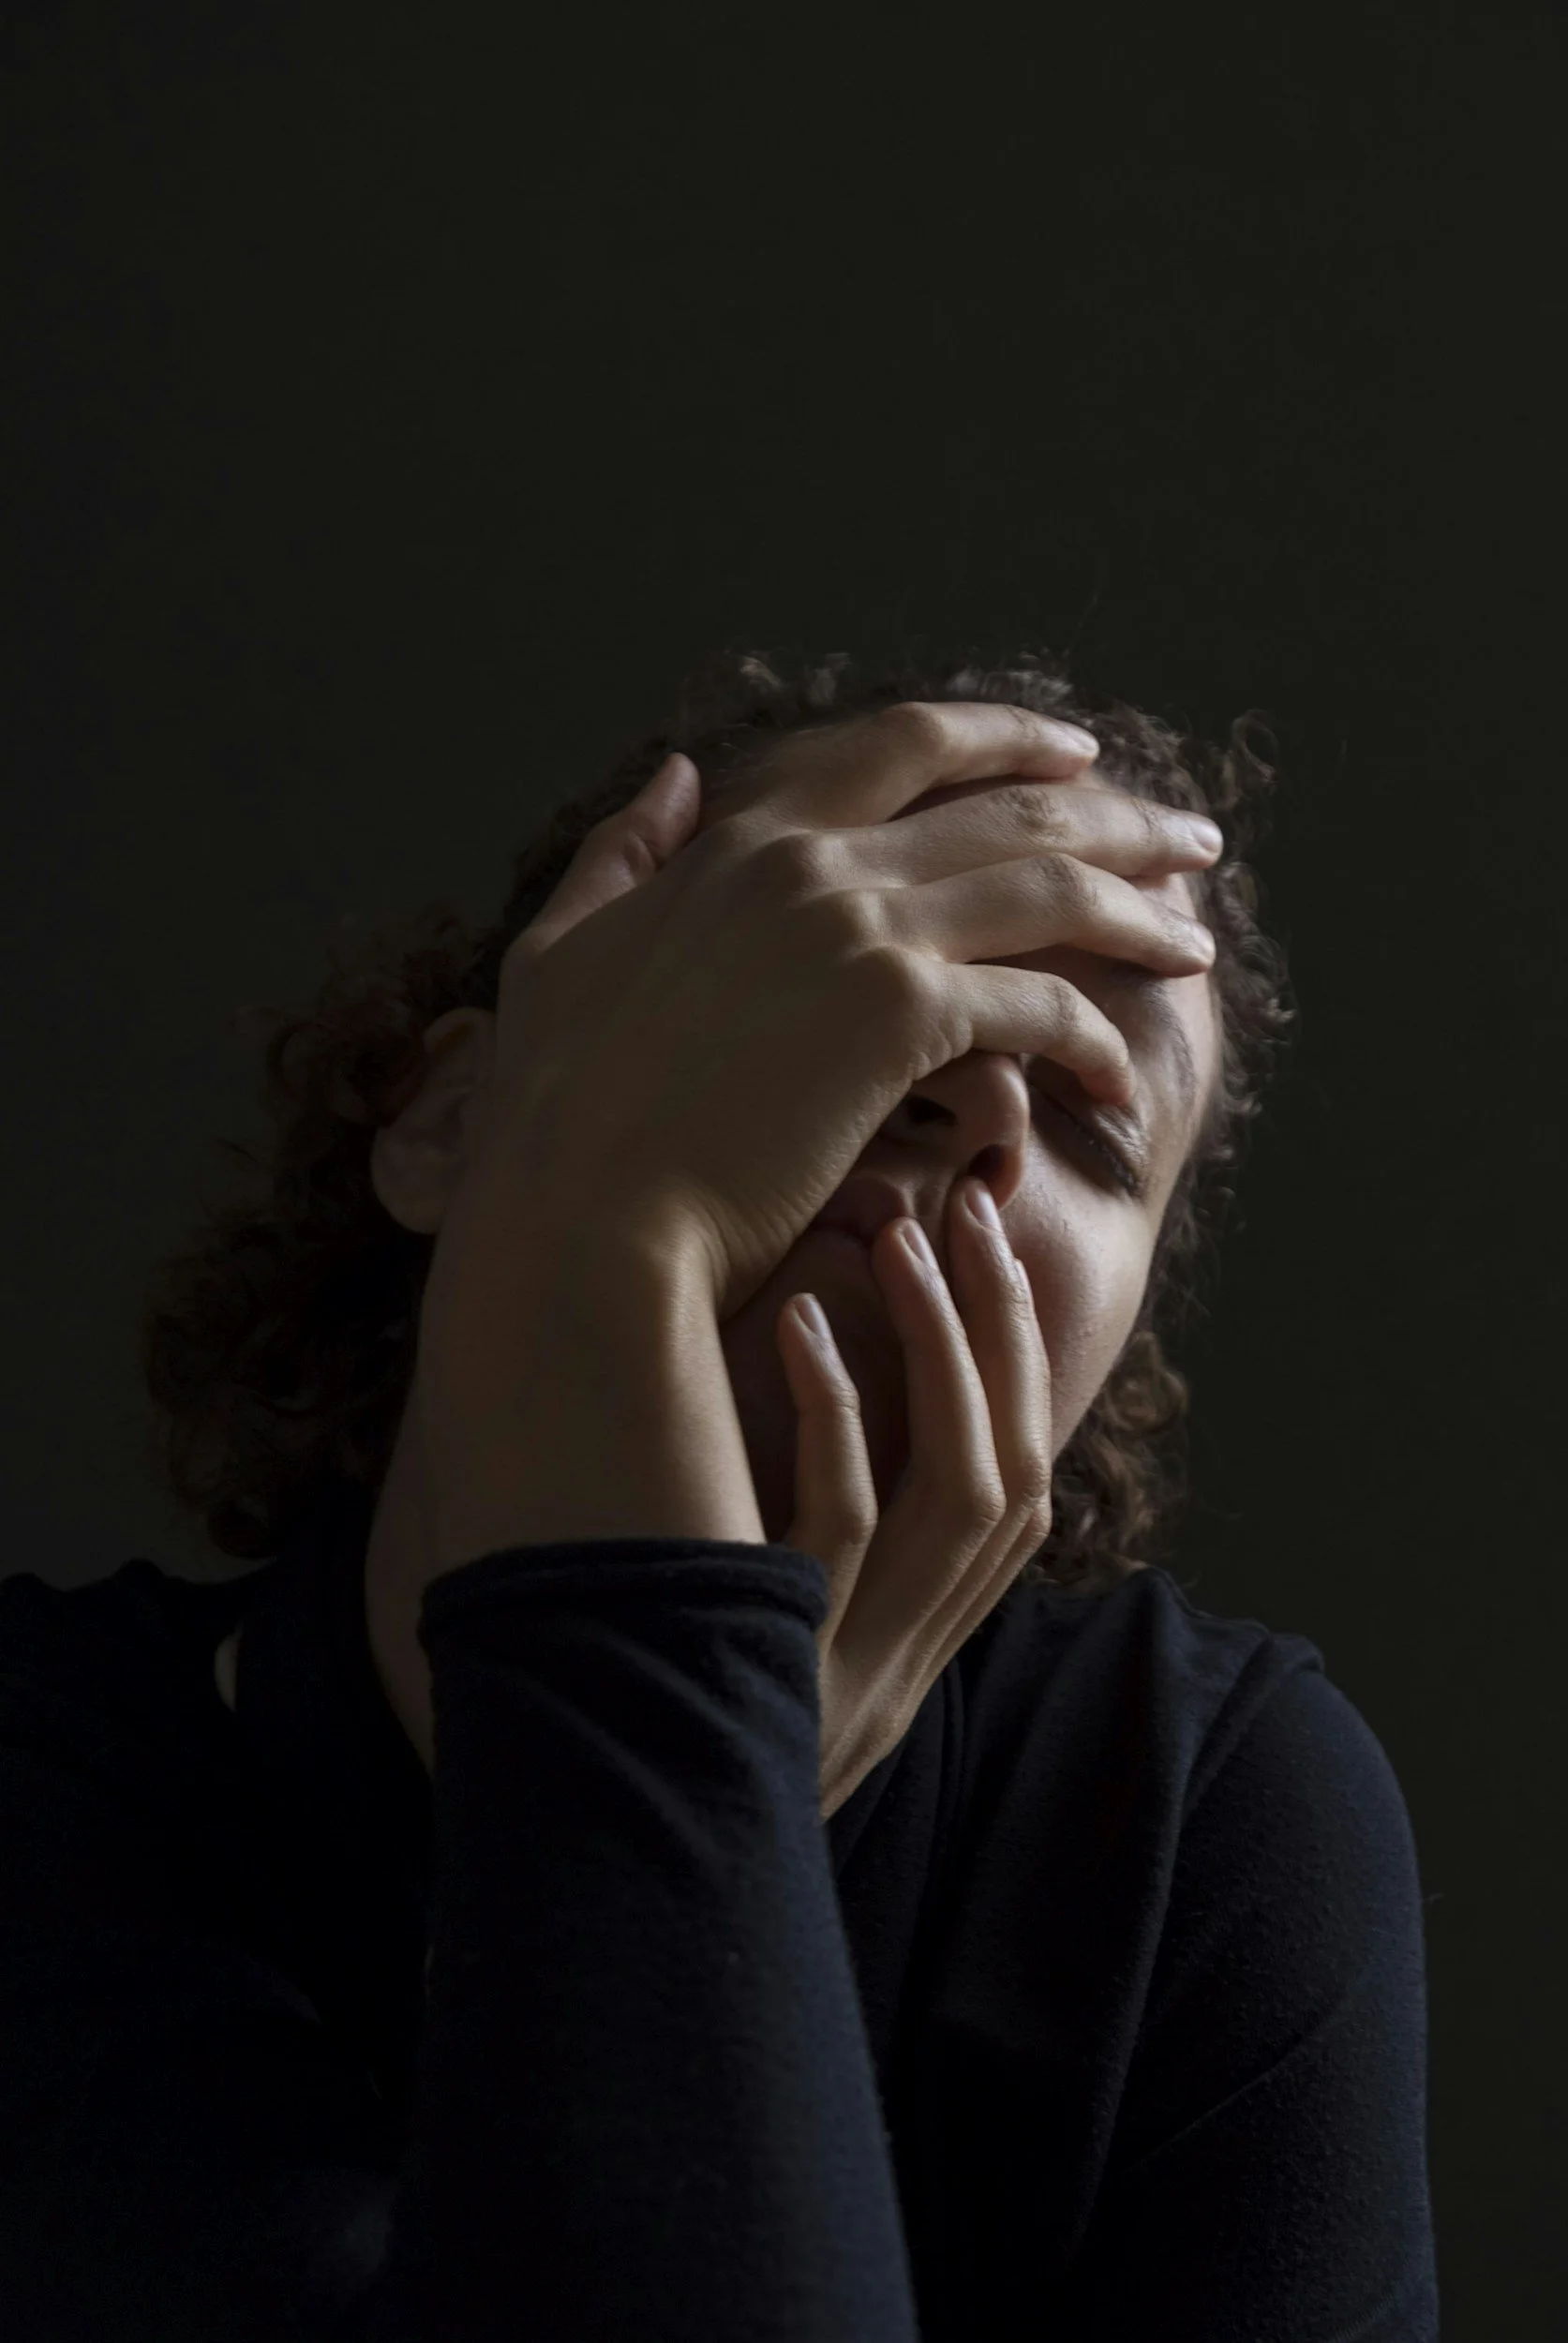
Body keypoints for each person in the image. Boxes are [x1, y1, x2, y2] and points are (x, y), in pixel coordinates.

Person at [0, 650, 1439, 2340]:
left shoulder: (1211, 1828)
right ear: (453, 1121)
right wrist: (701, 1730)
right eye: (836, 962)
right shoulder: (47, 1779)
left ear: (1101, 1371)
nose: (967, 1067)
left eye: (1092, 1123)